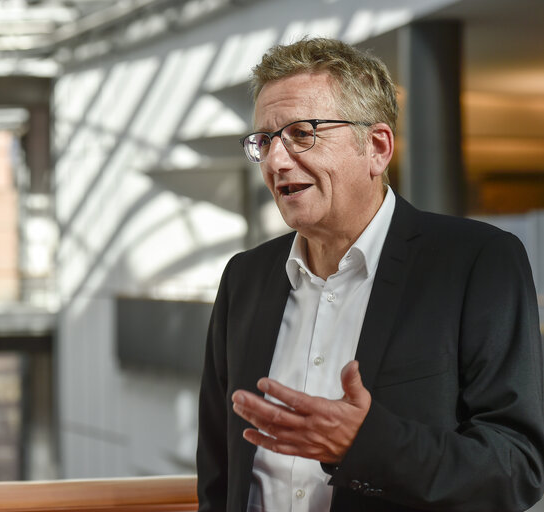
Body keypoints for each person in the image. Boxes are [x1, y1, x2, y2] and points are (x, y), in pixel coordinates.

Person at [196, 38, 544, 512]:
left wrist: (367, 445)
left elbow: (517, 467)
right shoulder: (244, 277)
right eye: (264, 140)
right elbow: (218, 470)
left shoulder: (478, 262)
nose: (276, 161)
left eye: (302, 133)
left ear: (377, 148)